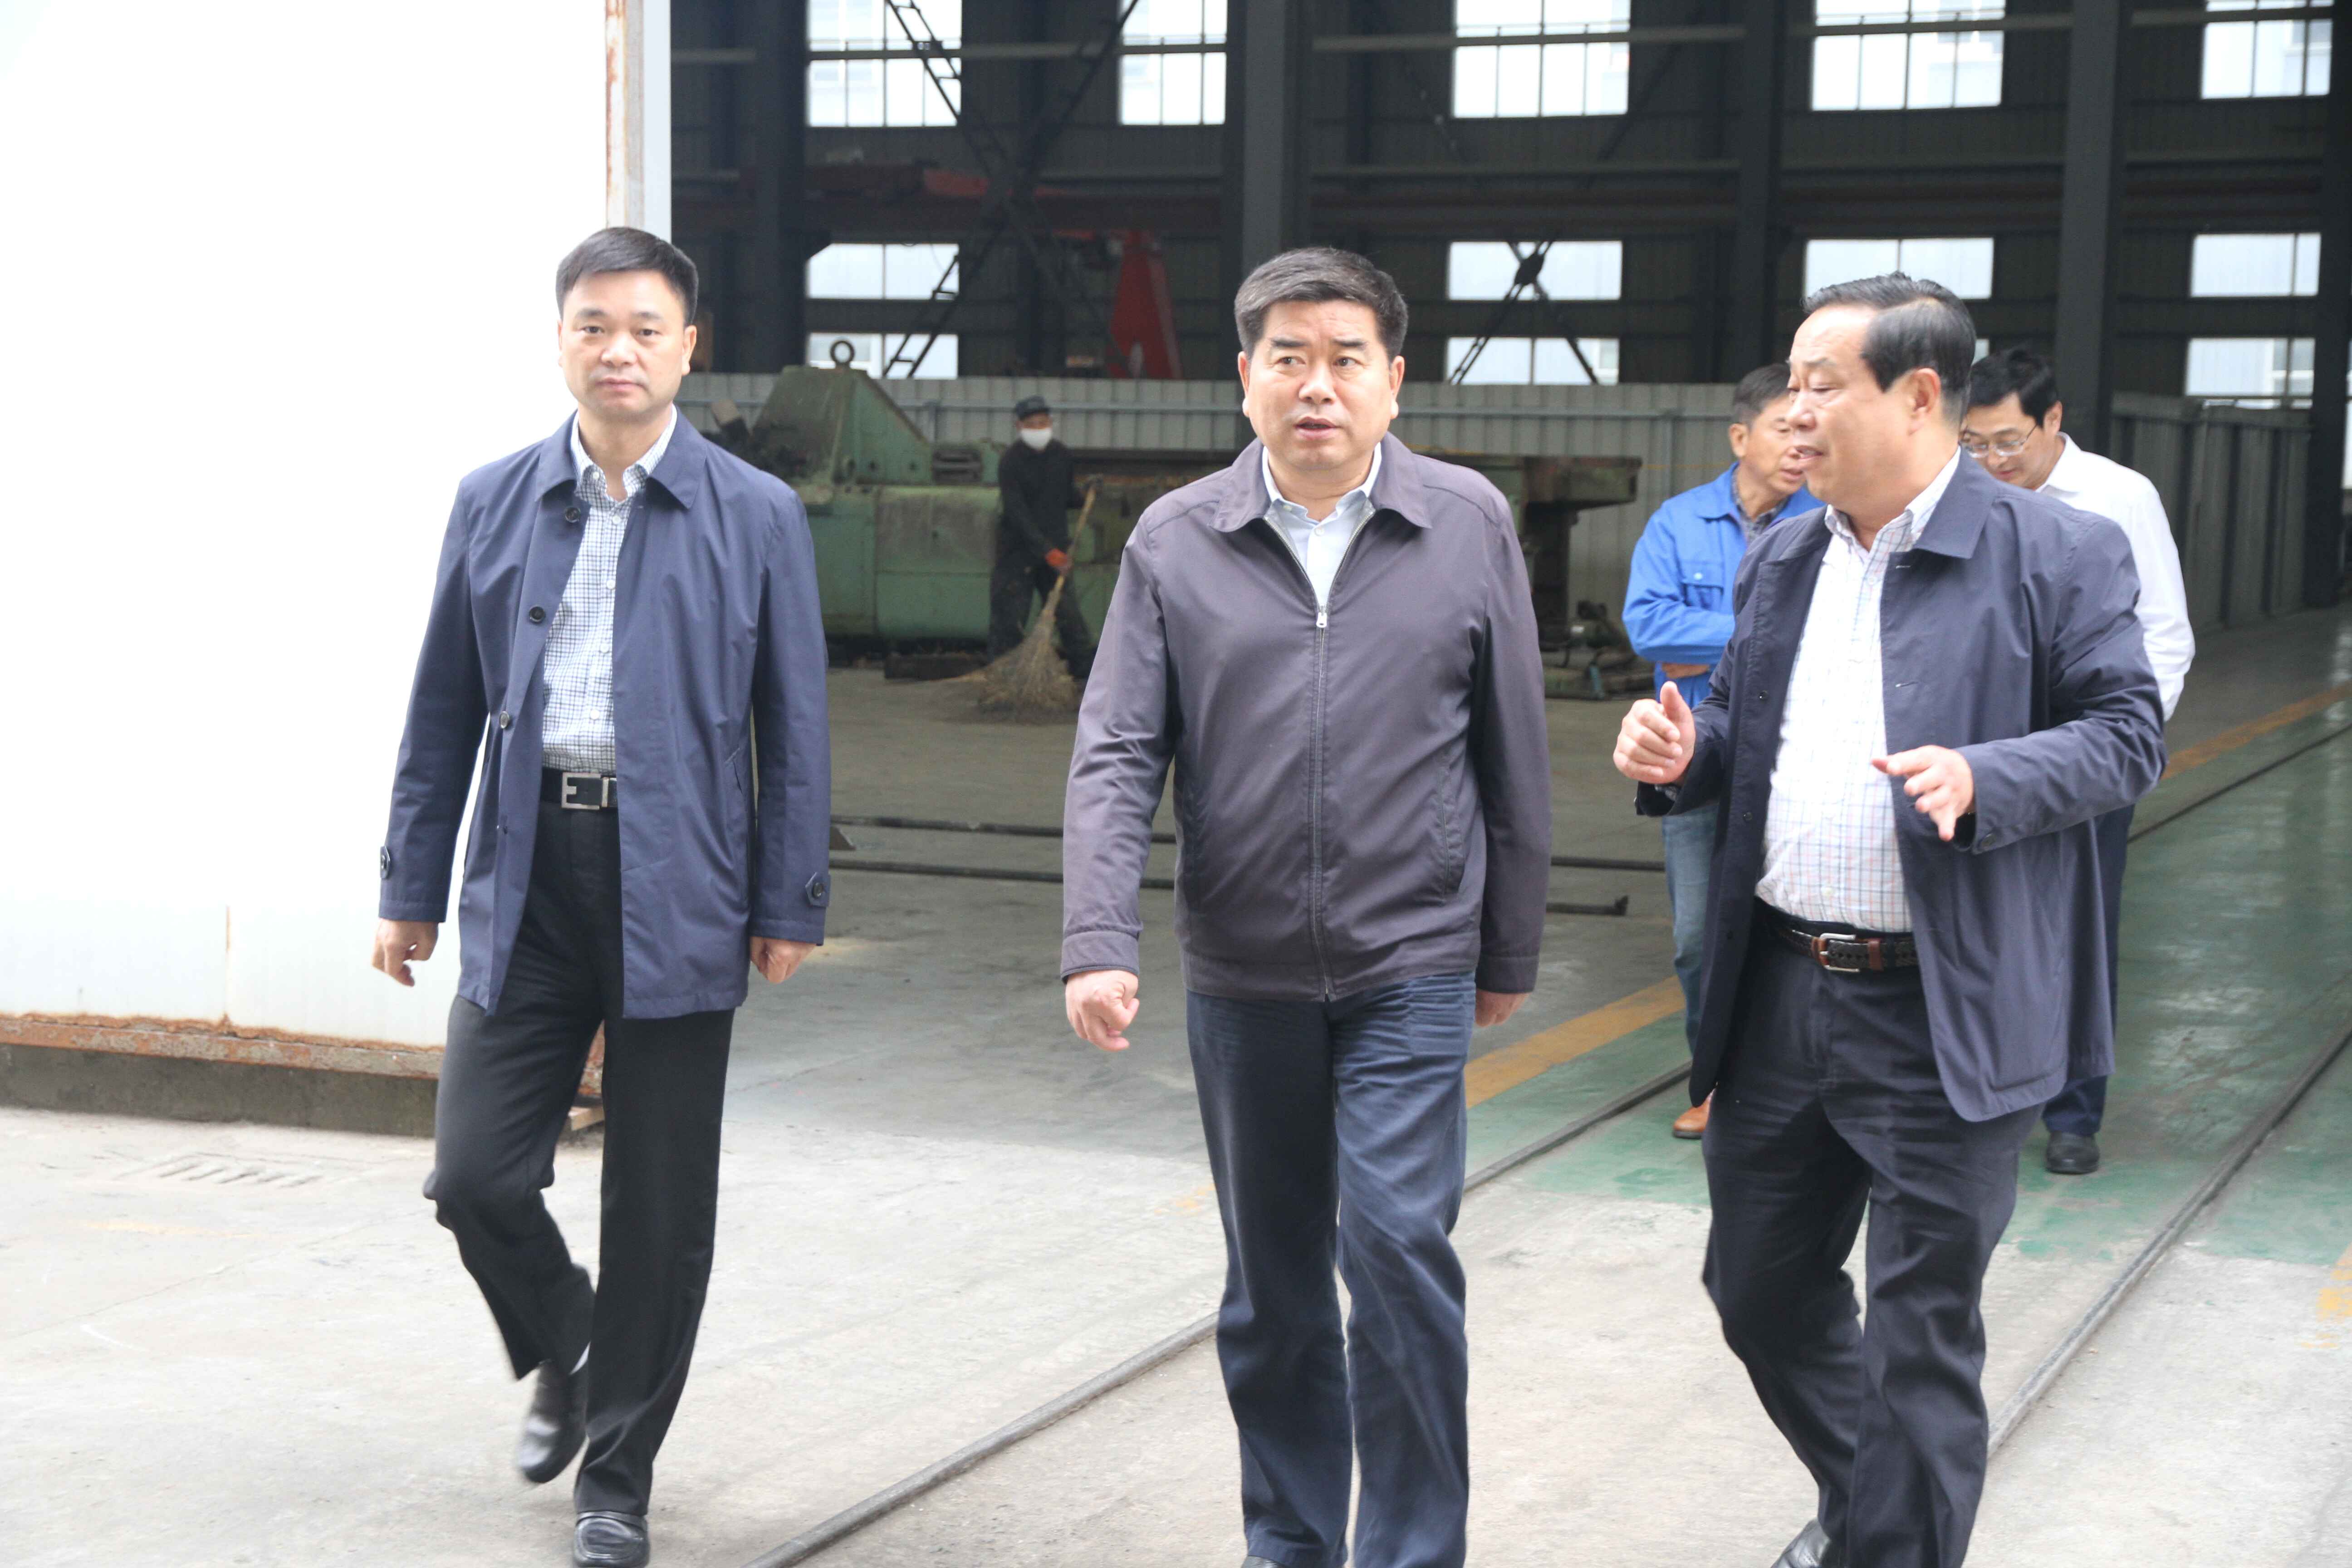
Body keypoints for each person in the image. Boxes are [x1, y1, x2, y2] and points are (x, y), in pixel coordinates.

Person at [1612, 274, 2163, 1568]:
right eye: (1790, 386)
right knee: (1758, 1288)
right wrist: (1685, 754)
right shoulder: (1784, 554)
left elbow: (2127, 733)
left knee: (1920, 1340)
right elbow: (1741, 726)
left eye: (1821, 386)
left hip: (1942, 1006)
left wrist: (1986, 776)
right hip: (1784, 993)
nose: (1792, 412)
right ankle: (1878, 1516)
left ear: (1918, 396)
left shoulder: (2057, 552)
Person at [1062, 248, 1551, 1568]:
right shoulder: (1176, 540)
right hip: (1245, 969)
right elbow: (1117, 749)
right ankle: (1289, 1540)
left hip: (1412, 956)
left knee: (1396, 1249)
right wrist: (1098, 938)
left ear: (1394, 381)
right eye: (1288, 357)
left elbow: (1512, 746)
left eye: (1345, 359)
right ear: (1245, 379)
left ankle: (1411, 1550)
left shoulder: (1467, 524)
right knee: (1273, 1286)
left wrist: (1505, 942)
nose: (1316, 385)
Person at [371, 227, 832, 1568]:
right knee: (474, 1175)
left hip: (680, 875)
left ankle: (617, 1477)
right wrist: (410, 885)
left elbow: (795, 722)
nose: (617, 350)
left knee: (659, 1207)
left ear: (688, 347)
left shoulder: (755, 513)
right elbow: (442, 707)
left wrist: (789, 897)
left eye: (644, 328)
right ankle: (568, 1341)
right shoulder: (495, 499)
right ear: (561, 340)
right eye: (593, 325)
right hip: (528, 869)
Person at [1963, 348, 2194, 1176]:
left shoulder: (2118, 498)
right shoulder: (1962, 495)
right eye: (1973, 444)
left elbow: (2163, 632)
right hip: (1981, 756)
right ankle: (1981, 1096)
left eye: (2007, 442)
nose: (1992, 461)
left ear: (2052, 420)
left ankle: (2072, 1114)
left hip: (2083, 757)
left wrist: (2121, 741)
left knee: (2079, 931)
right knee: (1975, 921)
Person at [1623, 363, 1818, 1140]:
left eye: (1809, 429)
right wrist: (1765, 633)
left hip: (1795, 761)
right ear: (1740, 437)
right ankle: (1714, 1083)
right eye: (1783, 429)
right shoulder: (1678, 522)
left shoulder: (1829, 523)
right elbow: (1648, 627)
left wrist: (1702, 644)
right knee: (1697, 937)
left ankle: (1791, 1085)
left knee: (1795, 929)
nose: (1800, 445)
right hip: (1696, 760)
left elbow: (1826, 634)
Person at [990, 393, 1096, 676]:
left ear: (1051, 423)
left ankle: (1085, 678)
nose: (1038, 429)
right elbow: (1017, 514)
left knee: (1070, 619)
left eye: (1043, 422)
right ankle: (1003, 680)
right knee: (1010, 621)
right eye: (1031, 424)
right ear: (1019, 427)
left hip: (1056, 553)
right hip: (1018, 554)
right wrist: (1047, 551)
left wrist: (1085, 494)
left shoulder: (1061, 456)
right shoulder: (1010, 462)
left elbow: (1064, 496)